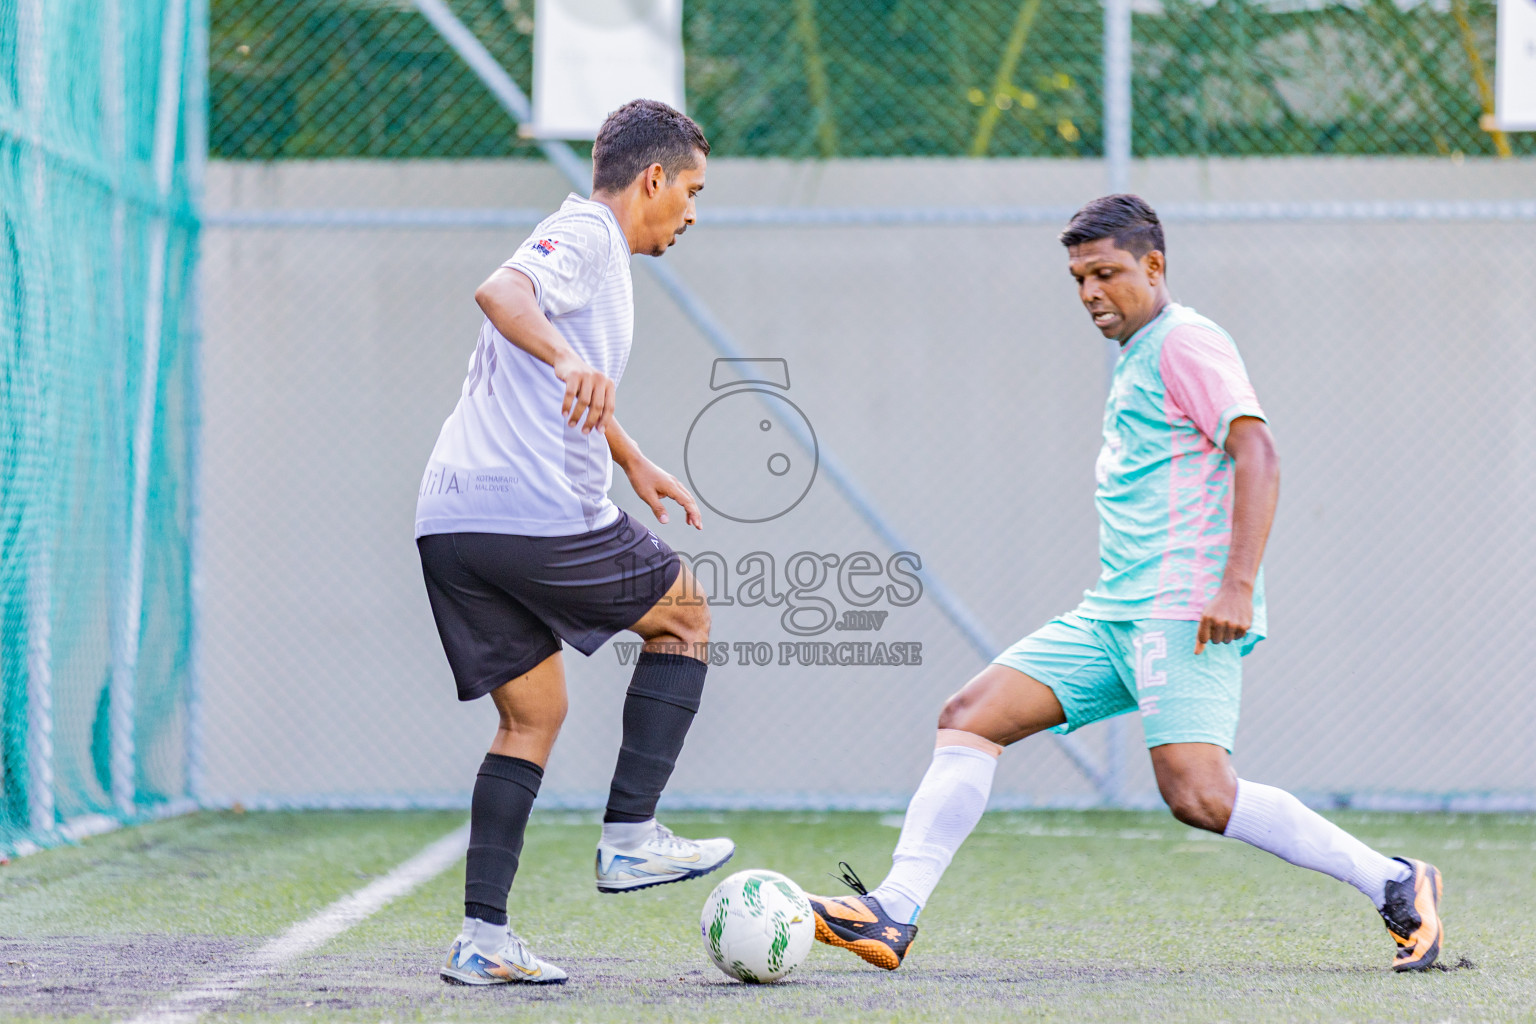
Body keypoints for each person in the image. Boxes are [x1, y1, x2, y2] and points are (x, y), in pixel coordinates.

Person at [805, 194, 1443, 974]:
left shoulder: (1186, 341)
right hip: (1114, 612)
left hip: (1186, 611)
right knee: (971, 715)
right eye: (1078, 278)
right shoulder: (1140, 352)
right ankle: (893, 913)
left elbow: (1260, 454)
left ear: (1154, 265)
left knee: (1200, 795)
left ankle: (1396, 881)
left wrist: (1237, 584)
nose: (1090, 293)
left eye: (1106, 273)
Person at [417, 99, 733, 986]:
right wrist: (568, 362)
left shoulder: (598, 256)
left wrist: (631, 458)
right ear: (654, 179)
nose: (694, 213)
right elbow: (501, 292)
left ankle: (483, 939)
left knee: (534, 716)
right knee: (686, 619)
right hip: (533, 510)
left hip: (451, 520)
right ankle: (632, 838)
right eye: (693, 191)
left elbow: (558, 372)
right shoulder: (588, 231)